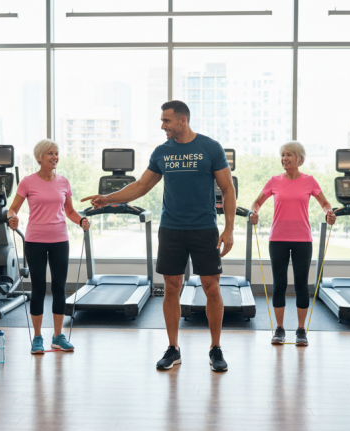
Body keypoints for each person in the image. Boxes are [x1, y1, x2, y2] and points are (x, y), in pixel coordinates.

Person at [82, 100, 236, 372]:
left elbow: (227, 189)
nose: (162, 126)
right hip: (172, 228)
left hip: (204, 229)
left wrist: (229, 229)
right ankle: (173, 348)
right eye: (162, 121)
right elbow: (141, 186)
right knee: (171, 288)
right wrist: (108, 199)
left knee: (212, 287)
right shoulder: (162, 152)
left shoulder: (210, 148)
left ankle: (215, 348)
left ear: (182, 120)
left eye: (166, 121)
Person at [249, 141, 335, 346]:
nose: (284, 158)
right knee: (279, 285)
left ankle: (300, 330)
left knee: (301, 285)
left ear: (299, 158)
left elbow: (324, 203)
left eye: (289, 155)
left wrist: (329, 213)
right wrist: (254, 212)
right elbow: (257, 202)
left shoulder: (310, 181)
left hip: (302, 239)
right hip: (277, 238)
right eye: (282, 155)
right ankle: (279, 329)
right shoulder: (274, 181)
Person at [8, 139, 89, 354]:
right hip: (34, 240)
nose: (55, 157)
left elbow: (70, 212)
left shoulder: (64, 182)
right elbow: (12, 209)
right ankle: (37, 337)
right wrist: (12, 218)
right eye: (50, 153)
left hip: (59, 240)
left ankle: (58, 336)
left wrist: (81, 221)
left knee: (59, 288)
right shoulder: (27, 182)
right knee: (39, 289)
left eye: (57, 153)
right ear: (39, 158)